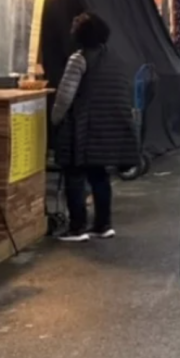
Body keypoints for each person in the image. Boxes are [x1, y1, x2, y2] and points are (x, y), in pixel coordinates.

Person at [52, 12, 138, 242]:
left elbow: (65, 97)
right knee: (99, 176)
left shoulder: (78, 59)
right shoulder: (116, 58)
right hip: (108, 128)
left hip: (82, 128)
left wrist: (55, 120)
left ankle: (77, 227)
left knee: (74, 175)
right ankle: (103, 225)